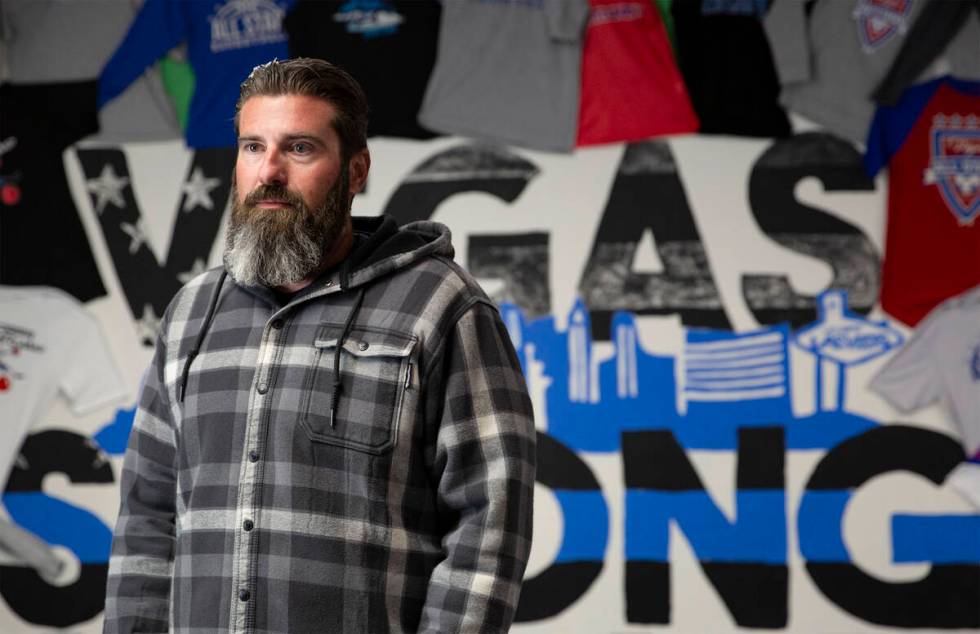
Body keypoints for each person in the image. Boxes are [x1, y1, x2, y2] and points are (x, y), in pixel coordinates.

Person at [103, 58, 536, 633]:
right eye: (252, 147)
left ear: (356, 171)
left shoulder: (441, 305)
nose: (269, 171)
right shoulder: (191, 313)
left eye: (299, 148)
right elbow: (147, 517)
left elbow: (491, 521)